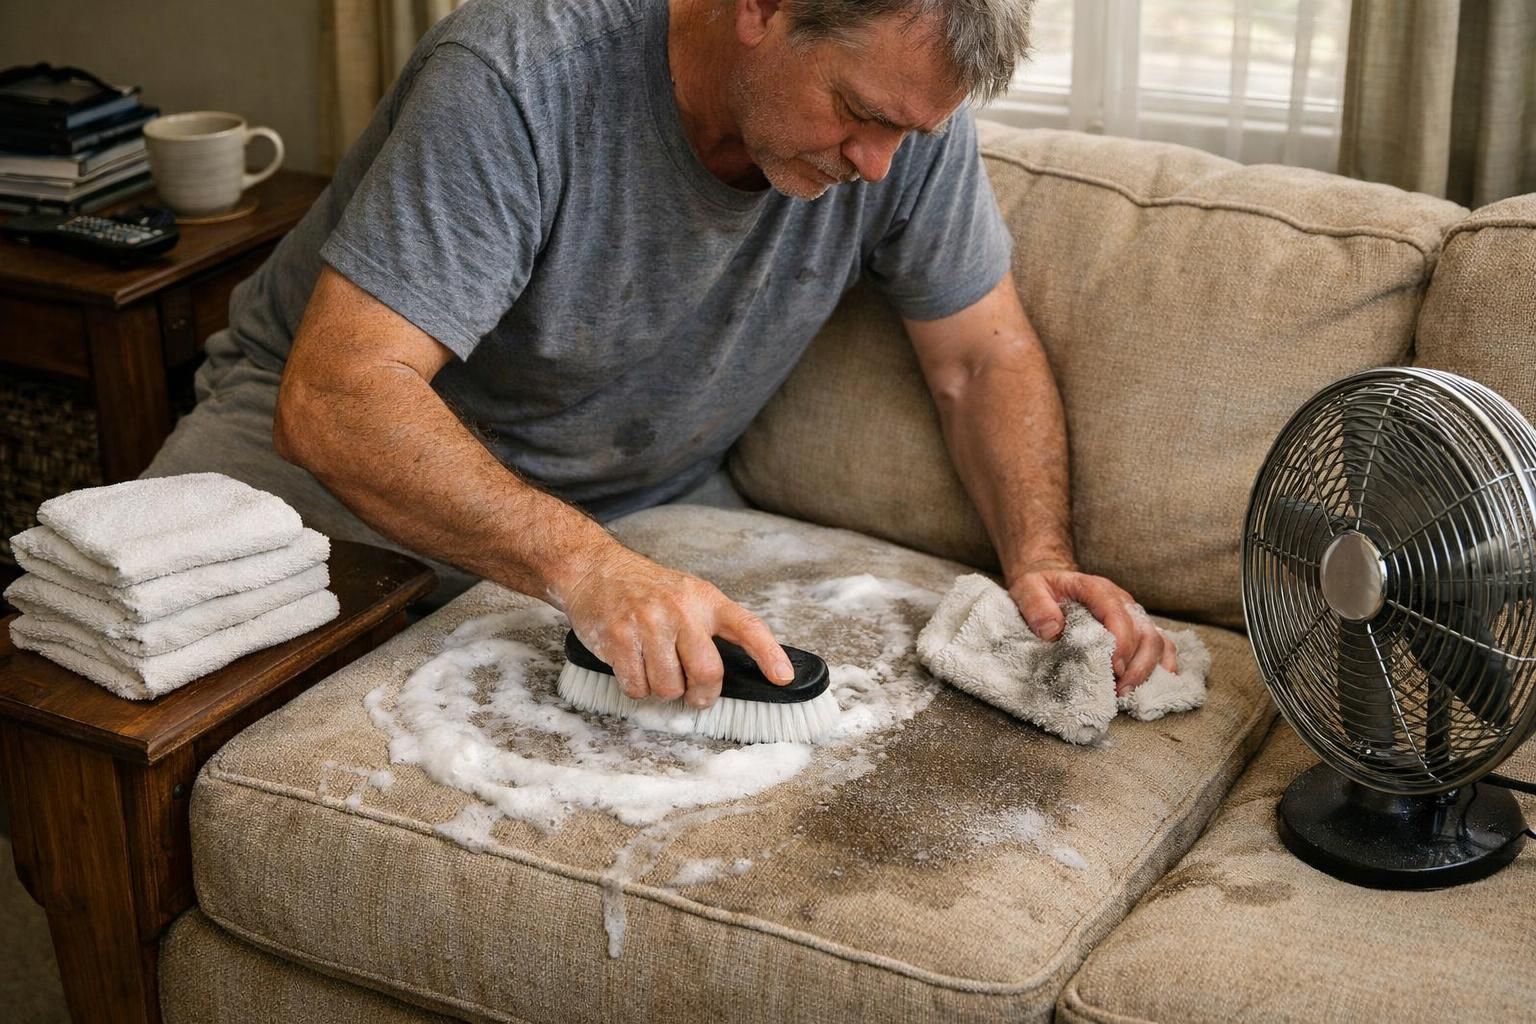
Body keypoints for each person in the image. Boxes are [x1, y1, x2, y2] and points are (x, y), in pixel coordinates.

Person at [145, 0, 1176, 715]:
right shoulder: (518, 73)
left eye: (909, 134)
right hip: (336, 477)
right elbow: (337, 398)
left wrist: (1040, 557)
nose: (879, 169)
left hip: (645, 508)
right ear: (762, 10)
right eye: (859, 115)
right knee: (120, 725)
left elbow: (981, 358)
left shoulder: (904, 132)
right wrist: (587, 568)